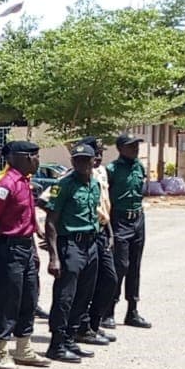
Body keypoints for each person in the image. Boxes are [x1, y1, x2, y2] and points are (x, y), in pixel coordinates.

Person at [0, 141, 52, 369]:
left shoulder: (25, 181)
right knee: (7, 298)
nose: (37, 160)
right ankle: (1, 350)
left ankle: (23, 347)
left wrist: (37, 233)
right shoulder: (6, 184)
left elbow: (27, 214)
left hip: (26, 245)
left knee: (29, 296)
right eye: (35, 156)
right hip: (9, 247)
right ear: (22, 157)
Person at [44, 143, 103, 362]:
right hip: (70, 245)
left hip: (90, 244)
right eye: (77, 160)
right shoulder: (63, 185)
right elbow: (51, 221)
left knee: (83, 295)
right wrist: (54, 256)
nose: (81, 164)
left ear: (94, 161)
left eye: (86, 159)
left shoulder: (95, 185)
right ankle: (57, 344)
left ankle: (70, 338)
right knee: (65, 297)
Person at [75, 136, 119, 344]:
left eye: (101, 153)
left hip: (102, 230)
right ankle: (82, 327)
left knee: (109, 279)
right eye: (96, 153)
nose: (99, 157)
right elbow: (48, 202)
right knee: (87, 284)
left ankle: (94, 323)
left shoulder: (101, 172)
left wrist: (110, 232)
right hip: (85, 234)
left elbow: (104, 205)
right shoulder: (76, 176)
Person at [107, 133, 152, 328]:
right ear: (120, 149)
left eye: (136, 145)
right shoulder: (112, 169)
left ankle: (132, 311)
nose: (136, 148)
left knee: (135, 266)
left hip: (138, 219)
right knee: (120, 265)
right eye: (131, 146)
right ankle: (108, 310)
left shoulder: (139, 166)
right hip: (120, 219)